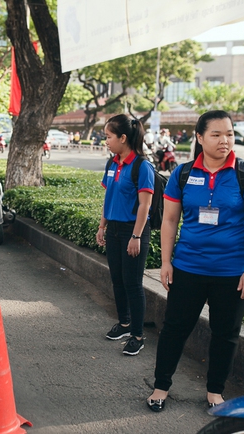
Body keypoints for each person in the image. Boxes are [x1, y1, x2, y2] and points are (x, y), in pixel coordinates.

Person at [146, 110, 244, 412]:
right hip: (188, 268)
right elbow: (170, 221)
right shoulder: (184, 173)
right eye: (216, 134)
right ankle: (161, 386)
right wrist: (166, 262)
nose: (225, 140)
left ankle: (215, 391)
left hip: (231, 272)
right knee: (174, 328)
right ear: (200, 138)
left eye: (229, 134)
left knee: (225, 334)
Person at [96, 114, 154, 356]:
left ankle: (138, 336)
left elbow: (144, 205)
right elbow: (108, 197)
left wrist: (136, 237)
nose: (106, 141)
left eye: (109, 137)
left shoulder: (142, 166)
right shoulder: (112, 163)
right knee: (117, 279)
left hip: (133, 230)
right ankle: (124, 323)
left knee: (133, 283)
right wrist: (102, 226)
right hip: (115, 230)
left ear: (123, 137)